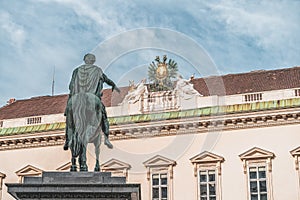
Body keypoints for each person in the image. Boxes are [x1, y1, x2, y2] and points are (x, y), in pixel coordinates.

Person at [63, 53, 120, 150]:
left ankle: (68, 140)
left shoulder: (76, 71)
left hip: (76, 97)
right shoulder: (97, 70)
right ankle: (106, 138)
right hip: (93, 97)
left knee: (69, 120)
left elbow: (71, 86)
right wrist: (114, 85)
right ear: (93, 61)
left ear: (85, 60)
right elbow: (106, 80)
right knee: (103, 116)